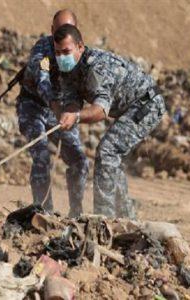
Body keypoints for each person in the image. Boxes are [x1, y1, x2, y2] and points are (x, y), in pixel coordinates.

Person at [53, 24, 166, 219]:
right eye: (57, 52)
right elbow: (72, 101)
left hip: (146, 105)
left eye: (66, 51)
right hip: (128, 108)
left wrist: (77, 117)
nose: (62, 57)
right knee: (113, 157)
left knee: (107, 151)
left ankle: (103, 219)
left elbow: (100, 111)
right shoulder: (68, 71)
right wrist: (67, 114)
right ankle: (126, 218)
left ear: (80, 47)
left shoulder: (97, 68)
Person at [16, 10, 88, 217]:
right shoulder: (44, 50)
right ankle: (43, 213)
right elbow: (43, 79)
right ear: (51, 31)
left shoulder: (79, 51)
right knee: (41, 156)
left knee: (79, 160)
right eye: (58, 30)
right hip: (34, 106)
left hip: (60, 110)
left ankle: (76, 211)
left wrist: (73, 111)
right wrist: (57, 108)